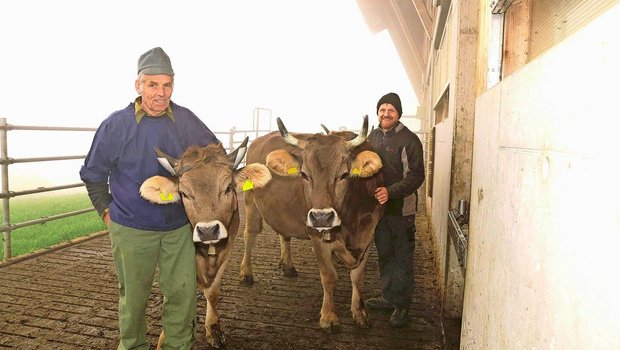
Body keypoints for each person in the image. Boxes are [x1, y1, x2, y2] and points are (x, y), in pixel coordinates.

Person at [80, 47, 220, 349]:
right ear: (138, 85)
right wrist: (107, 213)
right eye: (153, 85)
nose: (161, 92)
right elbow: (93, 174)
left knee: (183, 296)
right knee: (133, 298)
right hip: (131, 228)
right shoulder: (116, 125)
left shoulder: (186, 120)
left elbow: (216, 155)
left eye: (167, 85)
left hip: (179, 228)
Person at [366, 92, 425, 327]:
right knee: (385, 255)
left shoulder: (409, 140)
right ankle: (388, 296)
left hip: (402, 211)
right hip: (380, 211)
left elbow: (417, 175)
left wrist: (390, 192)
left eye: (391, 109)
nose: (386, 113)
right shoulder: (373, 136)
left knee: (402, 259)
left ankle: (402, 306)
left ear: (398, 113)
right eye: (382, 109)